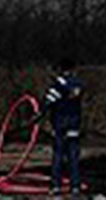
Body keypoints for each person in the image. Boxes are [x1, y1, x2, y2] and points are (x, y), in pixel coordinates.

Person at [42, 58, 83, 195]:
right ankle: (75, 186)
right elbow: (76, 93)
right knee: (73, 156)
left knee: (58, 155)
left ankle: (56, 186)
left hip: (59, 123)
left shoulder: (57, 85)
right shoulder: (78, 84)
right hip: (74, 124)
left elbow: (48, 102)